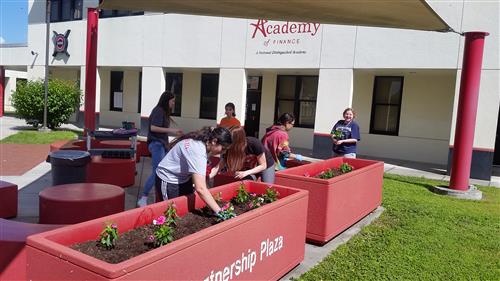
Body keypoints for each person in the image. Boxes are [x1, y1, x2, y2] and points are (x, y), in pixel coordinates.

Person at [155, 127, 232, 215]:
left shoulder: (203, 143)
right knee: (171, 213)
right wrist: (220, 212)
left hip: (183, 178)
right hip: (168, 179)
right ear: (214, 141)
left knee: (186, 211)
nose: (224, 152)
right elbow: (200, 188)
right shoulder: (198, 150)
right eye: (223, 148)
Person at [137, 91, 183, 207]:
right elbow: (153, 128)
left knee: (163, 171)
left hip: (161, 145)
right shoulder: (158, 110)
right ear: (167, 101)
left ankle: (161, 195)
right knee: (157, 172)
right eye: (172, 101)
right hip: (156, 144)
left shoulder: (163, 112)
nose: (173, 104)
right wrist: (172, 131)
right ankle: (144, 197)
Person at [210, 126, 275, 183]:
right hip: (248, 168)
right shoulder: (229, 149)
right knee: (245, 182)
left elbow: (263, 165)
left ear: (238, 140)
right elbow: (218, 167)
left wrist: (245, 173)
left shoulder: (253, 143)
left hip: (266, 165)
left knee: (267, 187)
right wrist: (207, 176)